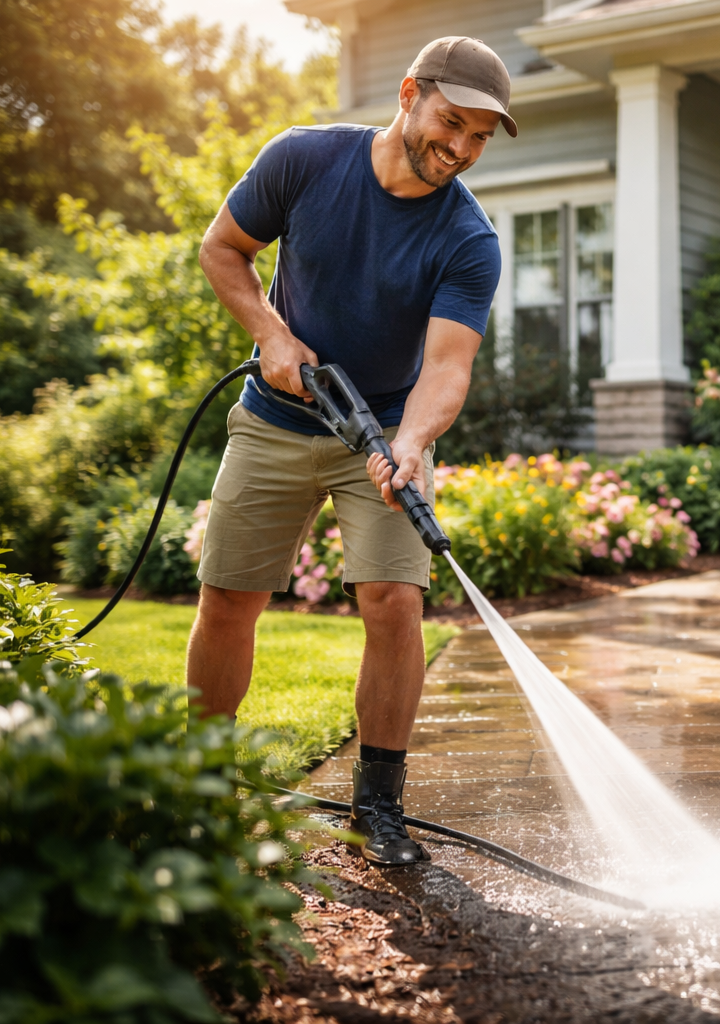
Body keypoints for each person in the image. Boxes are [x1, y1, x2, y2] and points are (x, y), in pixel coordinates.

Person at [191, 37, 516, 865]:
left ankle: (378, 808)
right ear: (409, 93)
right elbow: (222, 249)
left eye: (481, 136)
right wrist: (269, 331)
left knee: (395, 602)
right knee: (229, 599)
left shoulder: (469, 238)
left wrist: (410, 440)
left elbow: (448, 367)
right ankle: (193, 789)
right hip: (273, 418)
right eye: (453, 122)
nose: (462, 149)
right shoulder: (303, 160)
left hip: (382, 435)